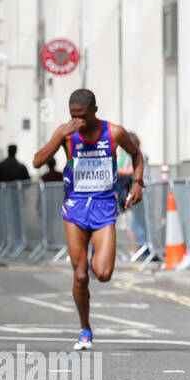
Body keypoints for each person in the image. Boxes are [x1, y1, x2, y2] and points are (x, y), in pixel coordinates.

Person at [31, 89, 145, 350]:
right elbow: (38, 161)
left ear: (95, 110)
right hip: (76, 207)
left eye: (82, 116)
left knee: (103, 274)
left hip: (104, 206)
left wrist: (138, 183)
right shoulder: (66, 133)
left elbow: (136, 155)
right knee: (80, 276)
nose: (77, 121)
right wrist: (60, 135)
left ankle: (96, 256)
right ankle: (85, 328)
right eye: (73, 116)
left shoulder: (114, 132)